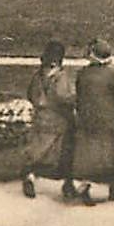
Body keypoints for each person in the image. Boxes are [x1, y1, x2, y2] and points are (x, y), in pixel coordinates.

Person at [70, 37, 114, 204]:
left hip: (87, 119)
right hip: (108, 119)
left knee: (90, 153)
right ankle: (113, 188)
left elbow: (79, 97)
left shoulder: (83, 74)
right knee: (111, 153)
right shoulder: (113, 74)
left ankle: (86, 187)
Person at [21, 40, 77, 200]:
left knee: (38, 151)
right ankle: (68, 184)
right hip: (58, 119)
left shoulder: (38, 75)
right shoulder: (61, 76)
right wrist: (75, 99)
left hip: (41, 117)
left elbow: (30, 94)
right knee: (66, 151)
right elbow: (62, 96)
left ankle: (30, 176)